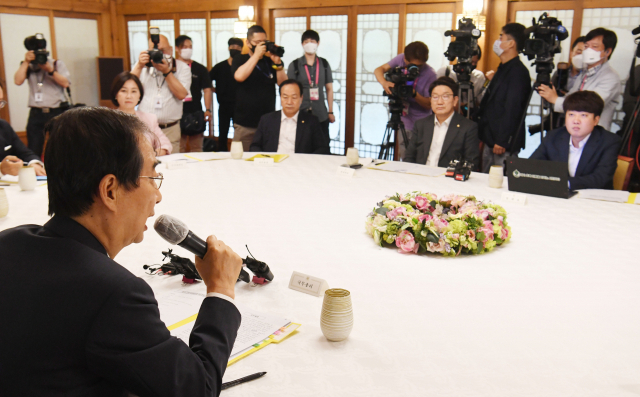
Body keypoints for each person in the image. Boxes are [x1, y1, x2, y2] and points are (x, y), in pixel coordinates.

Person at [0, 107, 243, 395]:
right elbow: (197, 388)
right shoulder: (114, 294)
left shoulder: (9, 241)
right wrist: (221, 290)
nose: (158, 195)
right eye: (153, 176)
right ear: (110, 191)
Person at [530, 91, 621, 190]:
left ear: (596, 120)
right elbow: (532, 165)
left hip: (593, 200)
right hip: (558, 196)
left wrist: (563, 183)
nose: (576, 121)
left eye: (583, 115)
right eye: (571, 114)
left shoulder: (609, 141)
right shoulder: (553, 136)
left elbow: (601, 178)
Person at [538, 28, 621, 131]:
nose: (588, 50)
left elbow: (588, 106)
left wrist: (555, 99)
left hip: (594, 134)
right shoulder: (585, 72)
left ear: (607, 51)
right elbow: (572, 97)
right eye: (586, 46)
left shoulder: (610, 77)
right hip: (574, 131)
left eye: (594, 47)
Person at [476, 23, 532, 173]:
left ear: (511, 43)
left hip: (502, 142)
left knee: (500, 181)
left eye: (501, 37)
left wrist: (502, 140)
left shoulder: (518, 72)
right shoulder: (503, 67)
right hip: (490, 137)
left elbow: (513, 108)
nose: (498, 41)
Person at [374, 41, 438, 159]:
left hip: (422, 123)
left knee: (420, 158)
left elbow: (429, 104)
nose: (416, 69)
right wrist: (384, 83)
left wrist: (413, 93)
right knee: (405, 156)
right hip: (404, 120)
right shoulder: (400, 59)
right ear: (405, 59)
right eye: (412, 65)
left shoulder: (431, 74)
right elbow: (379, 69)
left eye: (419, 66)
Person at [132, 34, 191, 154]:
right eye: (154, 51)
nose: (158, 54)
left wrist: (166, 72)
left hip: (170, 128)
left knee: (171, 167)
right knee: (144, 164)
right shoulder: (141, 67)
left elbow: (181, 94)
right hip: (144, 128)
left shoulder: (182, 68)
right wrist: (139, 65)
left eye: (162, 50)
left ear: (171, 50)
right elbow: (128, 87)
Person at [13, 36, 71, 158]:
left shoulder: (56, 63)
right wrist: (26, 62)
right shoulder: (28, 66)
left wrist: (50, 71)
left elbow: (65, 83)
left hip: (57, 111)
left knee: (61, 147)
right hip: (36, 113)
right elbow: (17, 81)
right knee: (34, 148)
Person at [404, 77, 479, 169]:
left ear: (455, 100)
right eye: (435, 97)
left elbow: (471, 163)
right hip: (421, 177)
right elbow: (409, 158)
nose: (439, 102)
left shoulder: (468, 127)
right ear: (430, 100)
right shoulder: (421, 125)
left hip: (449, 180)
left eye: (445, 96)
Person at [232, 25, 287, 151]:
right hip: (245, 123)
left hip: (268, 122)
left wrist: (277, 63)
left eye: (264, 42)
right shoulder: (240, 59)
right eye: (257, 42)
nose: (261, 46)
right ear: (248, 42)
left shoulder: (270, 61)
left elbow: (283, 84)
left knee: (267, 160)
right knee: (242, 160)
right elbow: (239, 76)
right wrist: (256, 56)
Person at [250, 80, 330, 154]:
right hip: (273, 164)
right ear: (280, 97)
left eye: (294, 97)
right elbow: (255, 146)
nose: (289, 102)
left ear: (301, 98)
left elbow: (322, 148)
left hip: (300, 165)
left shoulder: (311, 121)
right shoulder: (267, 119)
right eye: (285, 97)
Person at [287, 30, 335, 140]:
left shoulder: (324, 64)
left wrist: (330, 111)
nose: (309, 44)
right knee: (302, 146)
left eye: (312, 41)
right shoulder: (294, 65)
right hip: (301, 113)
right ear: (302, 44)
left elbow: (329, 89)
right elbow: (290, 91)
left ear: (318, 43)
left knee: (323, 146)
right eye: (306, 41)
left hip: (321, 114)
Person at [111, 71, 172, 156]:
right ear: (116, 94)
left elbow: (165, 144)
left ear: (140, 95)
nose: (129, 96)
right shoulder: (107, 120)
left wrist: (152, 154)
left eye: (134, 91)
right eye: (124, 91)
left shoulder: (150, 119)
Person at [176, 35, 213, 152]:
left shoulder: (200, 69)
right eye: (185, 47)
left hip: (196, 111)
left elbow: (207, 89)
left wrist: (208, 109)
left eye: (190, 47)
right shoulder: (171, 67)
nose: (188, 49)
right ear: (177, 49)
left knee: (197, 147)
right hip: (177, 112)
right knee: (178, 147)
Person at [210, 38, 243, 151]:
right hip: (223, 105)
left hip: (239, 106)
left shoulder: (243, 67)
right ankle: (222, 153)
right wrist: (214, 89)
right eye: (233, 47)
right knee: (222, 133)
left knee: (240, 134)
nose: (235, 49)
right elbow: (207, 80)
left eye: (238, 47)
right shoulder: (220, 67)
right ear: (229, 48)